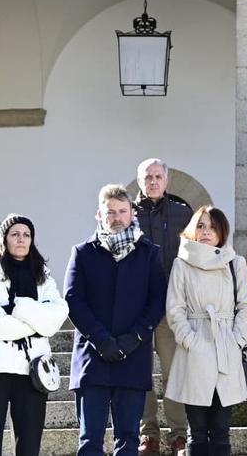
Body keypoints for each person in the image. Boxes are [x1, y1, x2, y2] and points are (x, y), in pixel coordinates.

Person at [65, 184, 167, 456]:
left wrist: (132, 339)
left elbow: (157, 301)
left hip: (132, 357)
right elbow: (74, 301)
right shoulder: (83, 252)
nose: (117, 217)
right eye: (111, 212)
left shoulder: (150, 253)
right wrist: (101, 340)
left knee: (129, 440)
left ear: (132, 213)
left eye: (123, 211)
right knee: (89, 442)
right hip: (92, 358)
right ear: (99, 214)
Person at [0, 214, 69, 456]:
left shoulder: (44, 278)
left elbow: (57, 317)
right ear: (4, 239)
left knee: (29, 447)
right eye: (15, 234)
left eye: (26, 235)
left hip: (32, 370)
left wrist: (18, 309)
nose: (21, 239)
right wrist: (37, 322)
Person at [165, 206, 247, 456]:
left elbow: (244, 306)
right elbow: (175, 309)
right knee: (197, 432)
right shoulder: (181, 263)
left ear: (222, 231)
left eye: (212, 226)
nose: (206, 231)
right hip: (193, 350)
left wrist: (237, 339)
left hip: (226, 345)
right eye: (201, 225)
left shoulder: (236, 263)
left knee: (222, 431)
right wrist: (190, 340)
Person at [133, 158, 194, 456]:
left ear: (167, 180)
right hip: (139, 310)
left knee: (174, 372)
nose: (153, 181)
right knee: (142, 373)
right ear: (140, 180)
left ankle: (179, 434)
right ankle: (148, 435)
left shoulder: (184, 215)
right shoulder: (128, 215)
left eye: (158, 176)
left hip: (172, 309)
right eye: (148, 177)